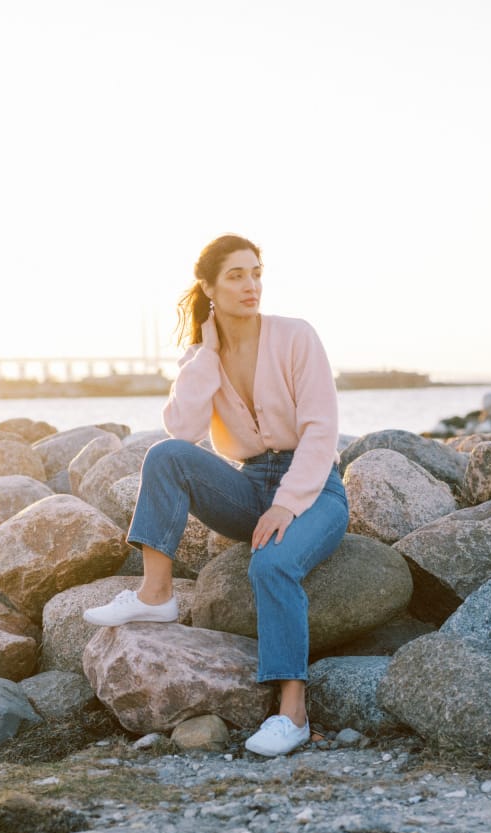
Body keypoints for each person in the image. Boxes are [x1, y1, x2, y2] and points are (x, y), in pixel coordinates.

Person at [83, 233, 349, 757]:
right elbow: (181, 430)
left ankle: (292, 712)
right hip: (249, 483)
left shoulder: (296, 336)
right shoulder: (201, 356)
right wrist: (206, 354)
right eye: (236, 275)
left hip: (315, 489)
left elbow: (322, 431)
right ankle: (156, 595)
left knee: (270, 564)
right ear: (208, 286)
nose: (251, 285)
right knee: (166, 456)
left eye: (256, 273)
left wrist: (287, 503)